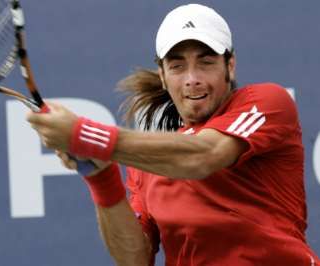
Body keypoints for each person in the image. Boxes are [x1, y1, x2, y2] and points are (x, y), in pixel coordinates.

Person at [27, 3, 319, 266]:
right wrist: (100, 175)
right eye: (178, 66)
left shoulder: (268, 102)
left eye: (205, 62)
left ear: (230, 66)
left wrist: (87, 136)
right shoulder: (147, 165)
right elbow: (134, 258)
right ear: (163, 76)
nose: (192, 79)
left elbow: (206, 155)